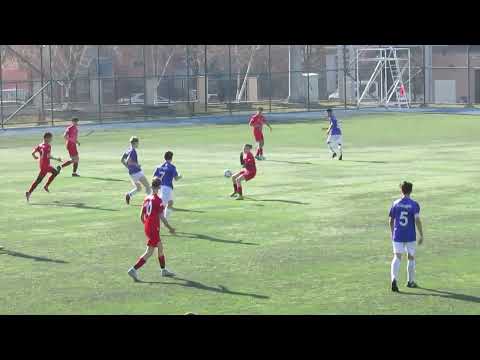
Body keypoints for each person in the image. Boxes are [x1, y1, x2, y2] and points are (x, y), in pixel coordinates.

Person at [127, 178, 176, 281]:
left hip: (148, 227)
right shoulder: (158, 200)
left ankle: (163, 270)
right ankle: (133, 269)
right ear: (159, 187)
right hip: (153, 228)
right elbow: (162, 217)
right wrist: (170, 228)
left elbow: (141, 216)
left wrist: (147, 225)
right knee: (149, 252)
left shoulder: (146, 198)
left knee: (160, 247)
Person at [389, 181, 424, 292]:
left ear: (401, 190)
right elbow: (417, 220)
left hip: (398, 234)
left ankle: (394, 279)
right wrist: (421, 234)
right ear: (411, 190)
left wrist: (392, 233)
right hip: (410, 235)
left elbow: (391, 220)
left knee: (397, 257)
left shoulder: (395, 203)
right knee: (411, 257)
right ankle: (410, 281)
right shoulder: (414, 204)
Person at [25, 132, 62, 202]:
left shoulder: (40, 145)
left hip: (43, 165)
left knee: (55, 172)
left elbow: (33, 152)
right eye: (51, 138)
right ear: (47, 138)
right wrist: (57, 158)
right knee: (38, 180)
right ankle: (29, 192)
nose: (51, 139)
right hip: (45, 166)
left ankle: (46, 186)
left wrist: (34, 156)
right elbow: (48, 156)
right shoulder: (48, 146)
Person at [121, 136, 151, 205]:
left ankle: (129, 195)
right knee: (148, 186)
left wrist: (128, 167)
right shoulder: (133, 151)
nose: (138, 144)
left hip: (131, 173)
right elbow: (129, 161)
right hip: (137, 172)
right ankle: (148, 203)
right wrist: (136, 165)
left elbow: (122, 160)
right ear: (135, 143)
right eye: (137, 143)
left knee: (139, 188)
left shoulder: (128, 150)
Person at [153, 151, 182, 219]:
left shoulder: (159, 167)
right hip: (167, 188)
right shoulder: (172, 167)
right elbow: (176, 178)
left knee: (170, 203)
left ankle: (165, 219)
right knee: (161, 206)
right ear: (171, 158)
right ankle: (155, 219)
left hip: (161, 187)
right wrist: (180, 176)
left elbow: (154, 178)